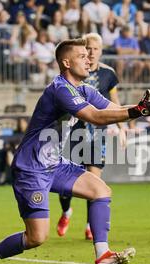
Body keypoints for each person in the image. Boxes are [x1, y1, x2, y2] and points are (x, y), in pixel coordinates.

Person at [0, 38, 150, 264]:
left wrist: (146, 108)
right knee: (36, 238)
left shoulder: (84, 89)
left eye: (89, 55)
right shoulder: (60, 89)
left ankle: (103, 254)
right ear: (66, 62)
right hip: (31, 168)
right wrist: (140, 111)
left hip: (55, 164)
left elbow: (112, 108)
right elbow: (95, 117)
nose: (89, 59)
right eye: (82, 56)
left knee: (100, 190)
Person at [56, 33, 127, 240]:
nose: (92, 52)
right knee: (67, 180)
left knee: (94, 179)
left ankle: (89, 224)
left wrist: (122, 129)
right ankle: (66, 211)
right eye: (88, 48)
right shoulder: (75, 72)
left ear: (102, 51)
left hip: (97, 133)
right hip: (74, 130)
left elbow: (115, 103)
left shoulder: (108, 74)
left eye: (96, 48)